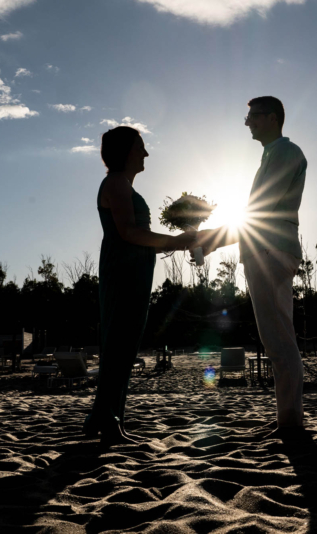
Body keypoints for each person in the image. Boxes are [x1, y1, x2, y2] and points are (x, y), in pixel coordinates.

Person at [193, 96, 308, 439]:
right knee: (276, 338)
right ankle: (286, 418)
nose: (247, 123)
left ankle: (290, 422)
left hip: (270, 251)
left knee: (278, 339)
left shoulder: (286, 153)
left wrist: (208, 240)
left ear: (271, 118)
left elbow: (258, 212)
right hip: (266, 251)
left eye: (252, 116)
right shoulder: (272, 156)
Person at [83, 126, 196, 446]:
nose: (145, 154)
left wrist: (177, 243)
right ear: (125, 152)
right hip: (123, 273)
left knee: (125, 345)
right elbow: (129, 233)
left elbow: (141, 240)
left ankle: (103, 417)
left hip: (135, 271)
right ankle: (107, 419)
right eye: (140, 148)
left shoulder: (124, 186)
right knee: (119, 343)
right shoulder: (116, 183)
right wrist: (174, 239)